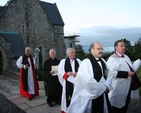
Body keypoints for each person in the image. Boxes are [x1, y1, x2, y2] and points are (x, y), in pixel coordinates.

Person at [67, 42, 113, 113]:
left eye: (101, 49)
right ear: (92, 50)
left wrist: (107, 85)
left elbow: (108, 74)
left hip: (103, 95)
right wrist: (103, 88)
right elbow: (87, 81)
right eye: (98, 49)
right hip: (91, 96)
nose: (101, 50)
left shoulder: (103, 61)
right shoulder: (86, 63)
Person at [107, 40, 141, 113]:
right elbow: (109, 72)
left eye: (124, 46)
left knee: (125, 104)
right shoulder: (112, 59)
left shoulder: (126, 57)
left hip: (127, 86)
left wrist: (134, 70)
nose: (124, 47)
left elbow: (130, 67)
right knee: (117, 107)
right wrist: (126, 74)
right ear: (116, 48)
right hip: (118, 88)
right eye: (121, 46)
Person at [58, 48, 81, 113]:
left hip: (77, 83)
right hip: (68, 83)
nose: (73, 54)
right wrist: (66, 73)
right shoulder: (63, 61)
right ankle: (67, 110)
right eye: (72, 53)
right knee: (68, 97)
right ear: (67, 54)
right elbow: (60, 72)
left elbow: (83, 71)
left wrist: (78, 73)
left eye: (74, 52)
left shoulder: (78, 61)